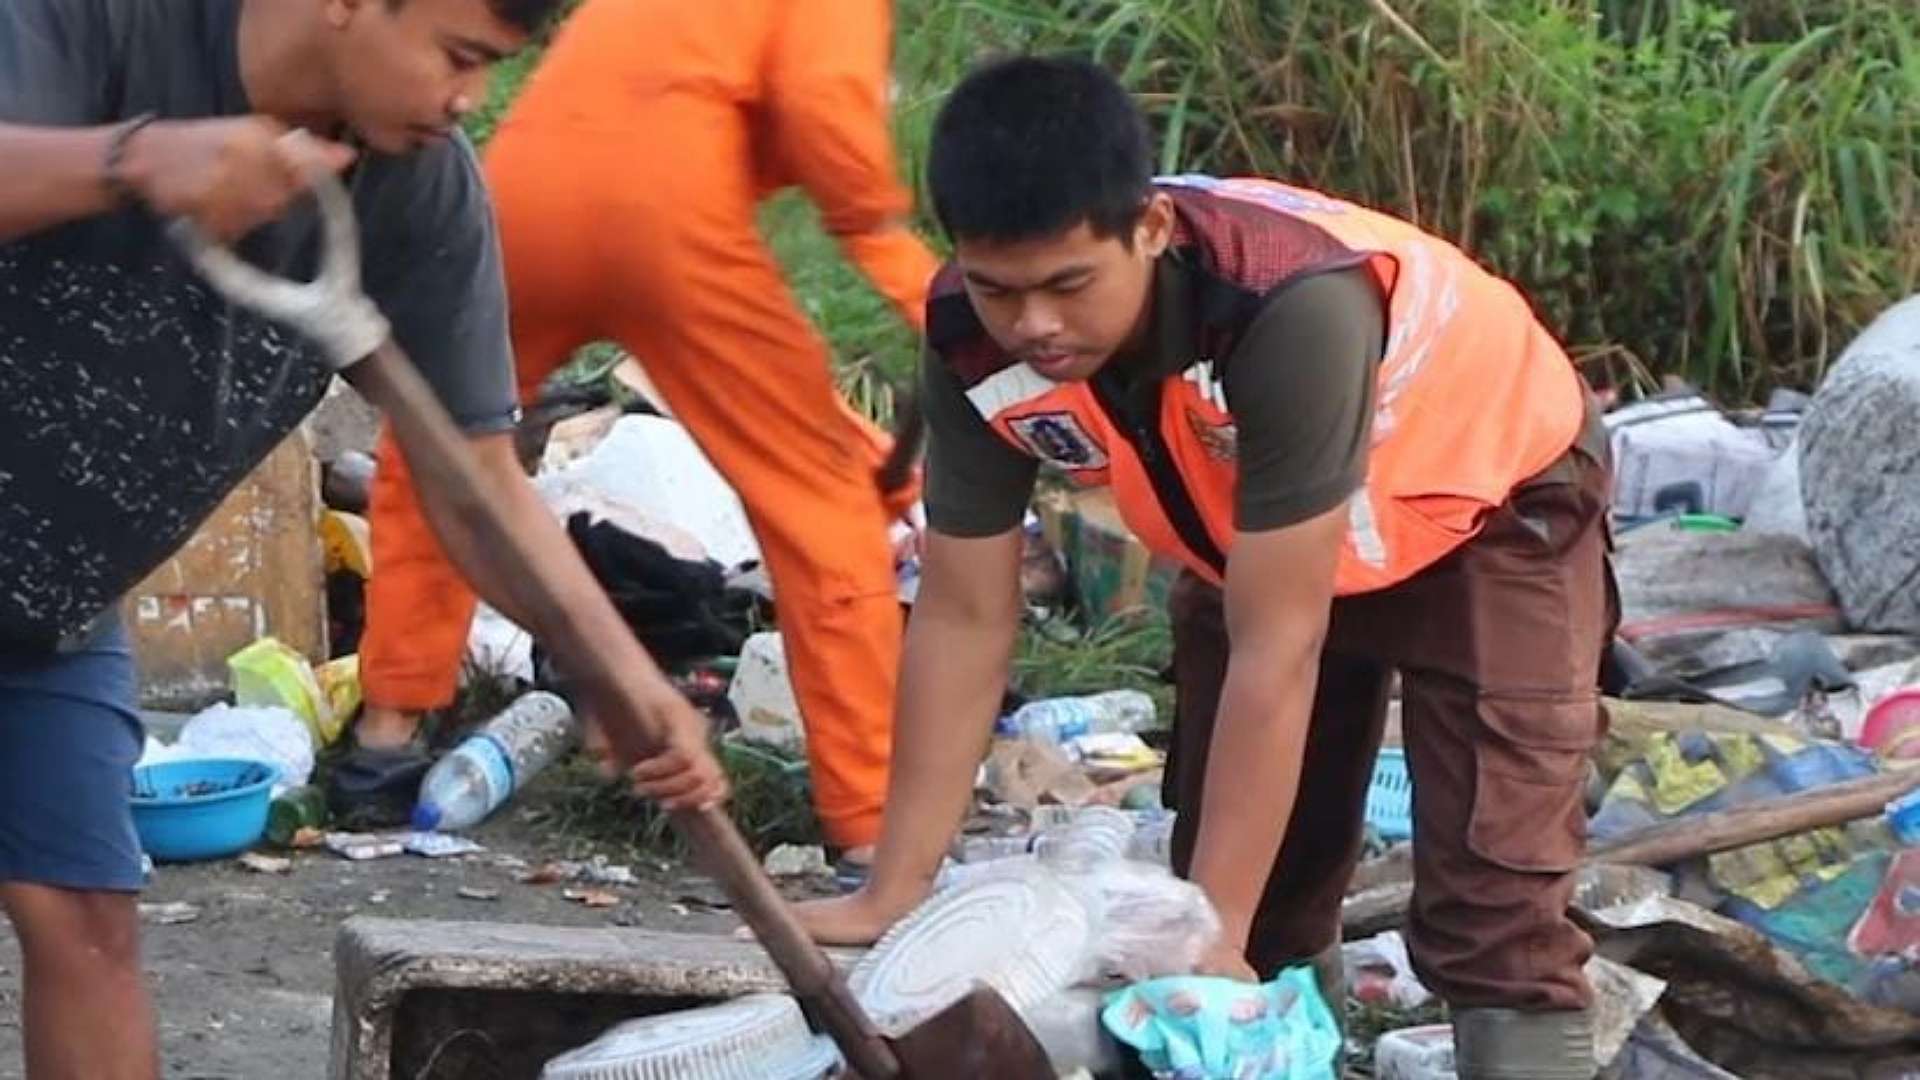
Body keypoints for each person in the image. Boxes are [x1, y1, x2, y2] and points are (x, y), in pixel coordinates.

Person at [795, 55, 1614, 1079]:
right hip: (1262, 537)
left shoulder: (1287, 306)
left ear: (1149, 230)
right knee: (1247, 906)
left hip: (1487, 502)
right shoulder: (971, 335)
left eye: (1068, 285)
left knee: (1494, 901)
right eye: (1001, 289)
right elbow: (962, 613)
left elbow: (1281, 646)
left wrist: (1209, 931)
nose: (1035, 327)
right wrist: (897, 885)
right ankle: (1286, 1051)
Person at [0, 0, 722, 1074]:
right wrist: (139, 160)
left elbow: (474, 486)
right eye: (458, 55)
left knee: (87, 922)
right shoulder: (100, 23)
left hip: (42, 605)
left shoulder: (418, 191)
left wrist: (621, 671)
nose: (468, 97)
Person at [351, 0, 939, 873]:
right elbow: (825, 103)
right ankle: (867, 821)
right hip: (668, 213)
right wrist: (896, 255)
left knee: (438, 450)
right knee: (817, 503)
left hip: (522, 196)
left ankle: (385, 737)